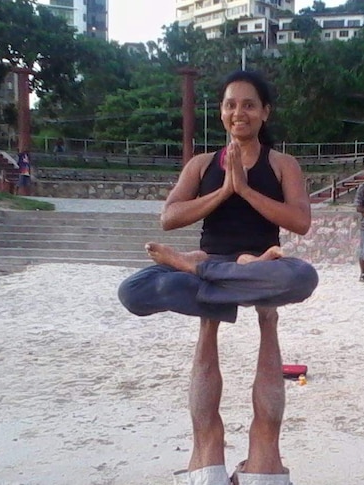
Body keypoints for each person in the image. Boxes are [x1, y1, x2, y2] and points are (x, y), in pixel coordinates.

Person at [117, 70, 318, 485]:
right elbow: (170, 217)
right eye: (230, 104)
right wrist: (225, 191)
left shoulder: (282, 164)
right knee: (132, 290)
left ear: (265, 112)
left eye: (248, 104)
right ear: (221, 112)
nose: (238, 112)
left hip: (260, 263)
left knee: (303, 277)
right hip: (230, 266)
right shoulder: (202, 164)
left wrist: (246, 191)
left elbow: (300, 222)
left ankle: (203, 272)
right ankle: (211, 272)